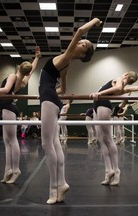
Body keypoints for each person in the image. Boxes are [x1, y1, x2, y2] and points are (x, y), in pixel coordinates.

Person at [38, 18, 102, 204]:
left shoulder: (66, 58)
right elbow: (63, 90)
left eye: (84, 44)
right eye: (83, 42)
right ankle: (61, 183)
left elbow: (80, 30)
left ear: (82, 54)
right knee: (54, 143)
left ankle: (54, 188)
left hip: (50, 101)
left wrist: (94, 22)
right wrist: (45, 91)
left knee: (46, 144)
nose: (81, 42)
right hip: (51, 98)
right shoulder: (66, 64)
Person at [0, 46, 41, 184]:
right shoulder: (23, 80)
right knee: (7, 141)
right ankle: (8, 169)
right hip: (7, 108)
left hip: (8, 108)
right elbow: (32, 70)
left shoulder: (13, 76)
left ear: (19, 67)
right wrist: (36, 57)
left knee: (12, 140)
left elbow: (6, 89)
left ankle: (16, 169)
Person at [90, 71, 138, 186]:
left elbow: (119, 87)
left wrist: (99, 93)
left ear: (126, 75)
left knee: (108, 139)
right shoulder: (122, 88)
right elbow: (134, 88)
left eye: (124, 73)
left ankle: (116, 170)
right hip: (97, 105)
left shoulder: (119, 80)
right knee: (101, 140)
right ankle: (109, 171)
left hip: (102, 104)